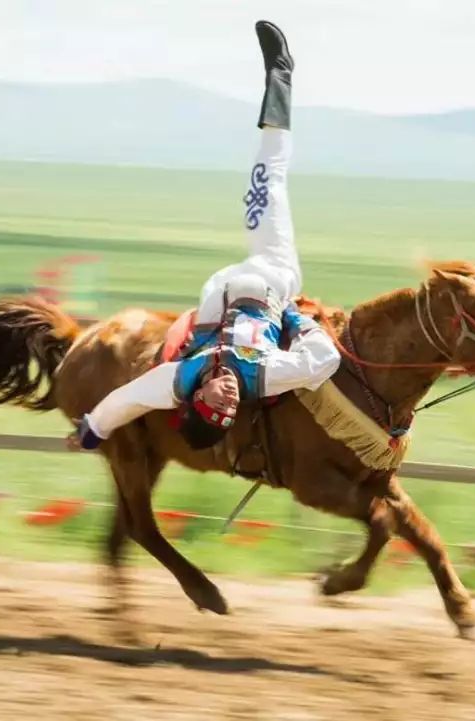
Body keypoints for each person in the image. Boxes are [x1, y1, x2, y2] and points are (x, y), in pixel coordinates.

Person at [70, 20, 340, 452]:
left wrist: (91, 432)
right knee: (268, 179)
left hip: (222, 292)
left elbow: (127, 399)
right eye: (230, 414)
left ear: (196, 399)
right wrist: (293, 317)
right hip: (273, 273)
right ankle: (281, 74)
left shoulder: (178, 379)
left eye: (216, 407)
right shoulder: (264, 374)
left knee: (258, 186)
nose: (229, 403)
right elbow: (325, 360)